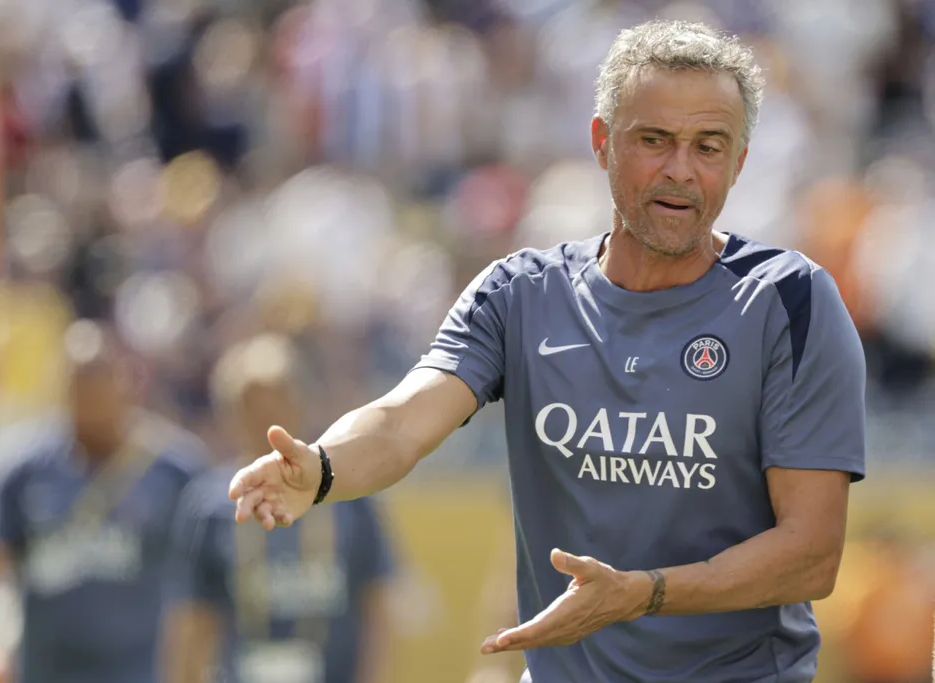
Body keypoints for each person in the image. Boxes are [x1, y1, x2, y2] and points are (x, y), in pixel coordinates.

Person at [228, 20, 867, 683]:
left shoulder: (790, 301)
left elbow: (812, 555)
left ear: (739, 161)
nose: (680, 169)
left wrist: (644, 593)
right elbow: (401, 421)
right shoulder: (520, 294)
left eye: (708, 146)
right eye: (653, 140)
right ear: (602, 142)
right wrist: (324, 466)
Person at [0, 320, 207, 683]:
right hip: (46, 671)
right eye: (79, 382)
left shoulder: (174, 470)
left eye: (99, 379)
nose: (90, 395)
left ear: (125, 384)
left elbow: (208, 575)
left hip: (139, 670)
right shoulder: (25, 468)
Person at [162, 333, 395, 683]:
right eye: (251, 407)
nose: (266, 419)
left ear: (303, 404)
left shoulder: (348, 493)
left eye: (278, 403)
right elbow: (192, 620)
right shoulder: (210, 504)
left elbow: (377, 608)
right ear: (230, 414)